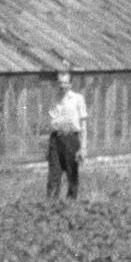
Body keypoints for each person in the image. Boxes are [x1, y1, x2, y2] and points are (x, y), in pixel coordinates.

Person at [46, 67, 87, 201]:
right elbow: (52, 120)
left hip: (71, 139)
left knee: (72, 173)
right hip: (57, 138)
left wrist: (83, 147)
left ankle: (71, 203)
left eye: (65, 83)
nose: (62, 86)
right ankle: (51, 204)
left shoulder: (77, 99)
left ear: (70, 84)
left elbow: (83, 124)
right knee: (54, 174)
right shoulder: (54, 98)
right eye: (60, 83)